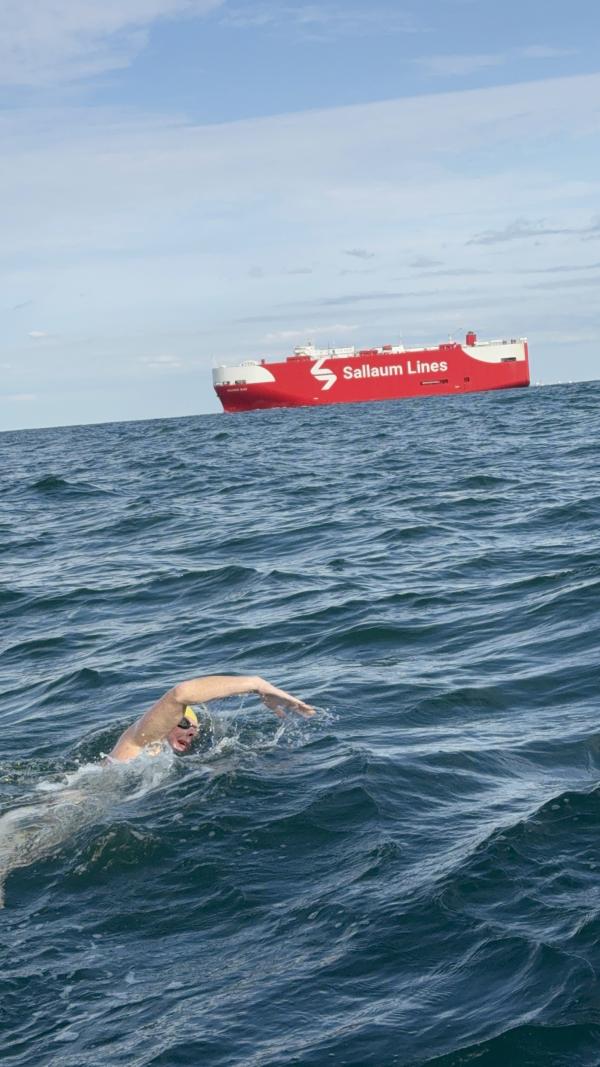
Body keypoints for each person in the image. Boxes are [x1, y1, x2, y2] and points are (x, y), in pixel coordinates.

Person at [109, 674, 315, 762]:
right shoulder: (139, 743)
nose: (191, 732)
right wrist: (257, 685)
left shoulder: (159, 762)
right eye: (183, 723)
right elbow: (180, 694)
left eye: (195, 731)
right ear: (167, 722)